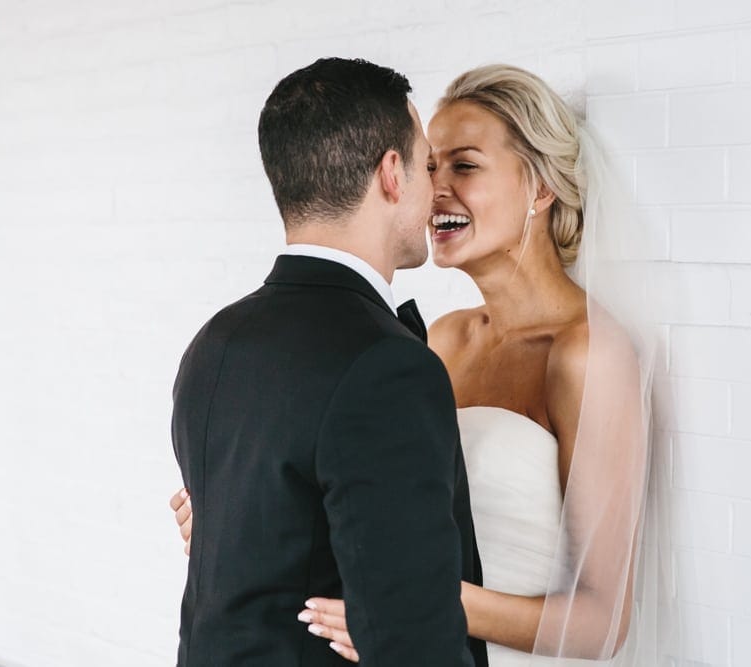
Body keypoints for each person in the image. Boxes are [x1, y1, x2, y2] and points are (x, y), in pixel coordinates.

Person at [173, 64, 672, 666]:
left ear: (541, 189)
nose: (434, 188)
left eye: (464, 165)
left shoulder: (589, 353)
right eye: (430, 165)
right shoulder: (439, 339)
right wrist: (243, 517)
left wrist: (406, 605)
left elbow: (602, 622)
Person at [169, 57, 487, 667]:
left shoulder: (212, 344)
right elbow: (416, 637)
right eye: (425, 165)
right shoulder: (390, 365)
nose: (433, 187)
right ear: (392, 174)